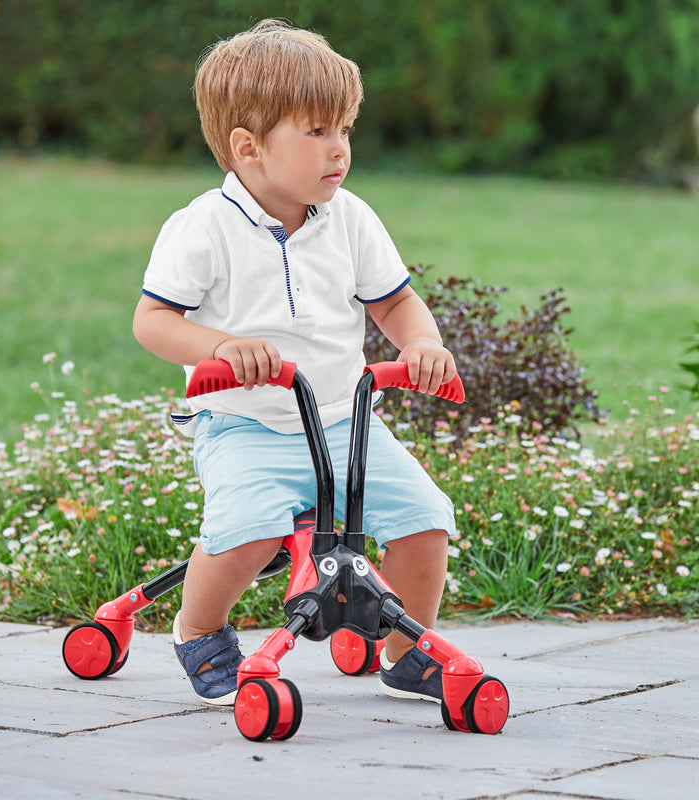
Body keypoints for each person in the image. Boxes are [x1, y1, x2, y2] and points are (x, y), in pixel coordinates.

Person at [133, 19, 458, 707]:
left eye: (344, 130)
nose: (339, 150)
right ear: (248, 148)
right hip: (244, 423)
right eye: (316, 133)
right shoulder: (202, 228)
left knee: (426, 524)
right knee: (245, 537)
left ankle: (405, 655)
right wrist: (219, 346)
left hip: (343, 421)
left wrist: (421, 344)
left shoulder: (351, 218)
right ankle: (198, 628)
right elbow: (153, 322)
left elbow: (396, 303)